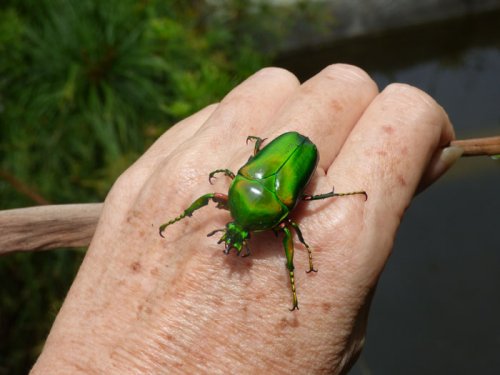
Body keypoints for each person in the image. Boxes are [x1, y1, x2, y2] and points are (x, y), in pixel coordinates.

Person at [30, 64, 460, 374]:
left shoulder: (261, 213)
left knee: (304, 216)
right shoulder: (246, 204)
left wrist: (293, 271)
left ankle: (300, 250)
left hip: (287, 157)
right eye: (236, 235)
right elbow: (227, 201)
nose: (232, 241)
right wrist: (185, 214)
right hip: (271, 166)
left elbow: (285, 224)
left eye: (233, 235)